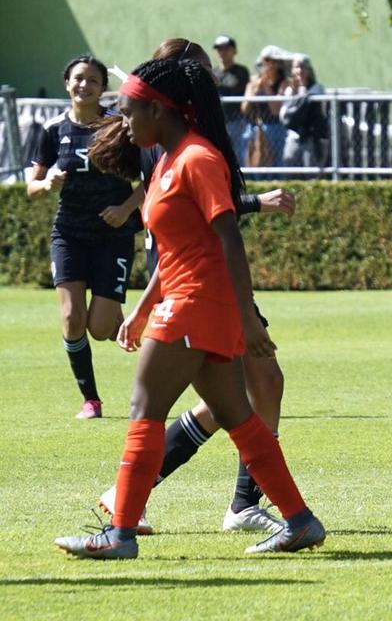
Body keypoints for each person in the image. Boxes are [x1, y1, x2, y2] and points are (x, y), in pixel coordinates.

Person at [54, 57, 324, 559]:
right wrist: (140, 309)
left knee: (143, 407)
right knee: (237, 415)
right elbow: (178, 247)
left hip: (195, 306)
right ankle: (300, 521)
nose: (125, 122)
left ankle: (120, 534)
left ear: (159, 110)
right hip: (190, 301)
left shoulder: (197, 158)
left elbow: (228, 241)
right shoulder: (169, 157)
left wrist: (246, 318)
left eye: (131, 111)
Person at [27, 55, 143, 420]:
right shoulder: (52, 130)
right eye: (78, 79)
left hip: (113, 234)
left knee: (98, 328)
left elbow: (153, 176)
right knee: (72, 319)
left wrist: (126, 208)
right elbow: (32, 185)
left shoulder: (119, 126)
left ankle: (118, 320)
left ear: (102, 88)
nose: (84, 85)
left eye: (93, 80)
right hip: (69, 233)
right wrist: (47, 183)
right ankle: (91, 400)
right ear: (67, 84)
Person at [241, 46, 289, 168]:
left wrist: (267, 88)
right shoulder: (253, 81)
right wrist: (254, 90)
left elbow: (275, 111)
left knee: (276, 161)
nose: (271, 65)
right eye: (267, 61)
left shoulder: (283, 83)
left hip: (275, 127)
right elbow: (244, 109)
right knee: (250, 159)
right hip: (253, 127)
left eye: (275, 61)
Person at [280, 54, 328, 168]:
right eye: (296, 67)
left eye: (303, 67)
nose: (300, 71)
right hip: (294, 136)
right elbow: (284, 115)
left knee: (312, 171)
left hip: (312, 138)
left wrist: (301, 94)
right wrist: (294, 92)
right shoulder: (289, 90)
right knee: (290, 169)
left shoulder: (316, 88)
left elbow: (308, 108)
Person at [212, 35, 250, 166]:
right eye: (219, 49)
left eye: (226, 49)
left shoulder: (241, 71)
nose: (222, 52)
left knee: (238, 154)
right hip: (217, 121)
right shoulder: (213, 72)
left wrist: (218, 84)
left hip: (236, 121)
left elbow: (235, 86)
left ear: (234, 51)